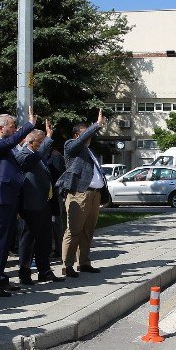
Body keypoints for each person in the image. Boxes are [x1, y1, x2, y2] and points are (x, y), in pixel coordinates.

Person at [0, 108, 36, 297]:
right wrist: (29, 125)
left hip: (8, 199)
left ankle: (0, 278)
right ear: (1, 127)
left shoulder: (5, 146)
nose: (14, 130)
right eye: (12, 127)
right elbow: (11, 142)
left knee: (5, 243)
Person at [57, 109, 107, 277]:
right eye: (86, 134)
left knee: (88, 231)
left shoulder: (90, 151)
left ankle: (84, 263)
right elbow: (78, 144)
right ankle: (67, 265)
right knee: (74, 230)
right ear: (77, 136)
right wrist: (97, 124)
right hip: (79, 194)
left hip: (94, 194)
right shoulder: (71, 146)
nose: (90, 136)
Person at [14, 126, 62, 284]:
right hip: (31, 206)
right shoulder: (24, 155)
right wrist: (48, 138)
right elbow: (28, 162)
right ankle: (24, 273)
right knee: (28, 241)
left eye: (43, 142)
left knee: (44, 240)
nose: (43, 145)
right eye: (40, 142)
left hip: (44, 204)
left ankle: (44, 271)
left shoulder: (38, 156)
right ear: (31, 142)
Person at [47, 147, 65, 258]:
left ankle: (59, 249)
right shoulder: (42, 155)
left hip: (54, 193)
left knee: (55, 221)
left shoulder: (56, 156)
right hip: (45, 193)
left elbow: (59, 176)